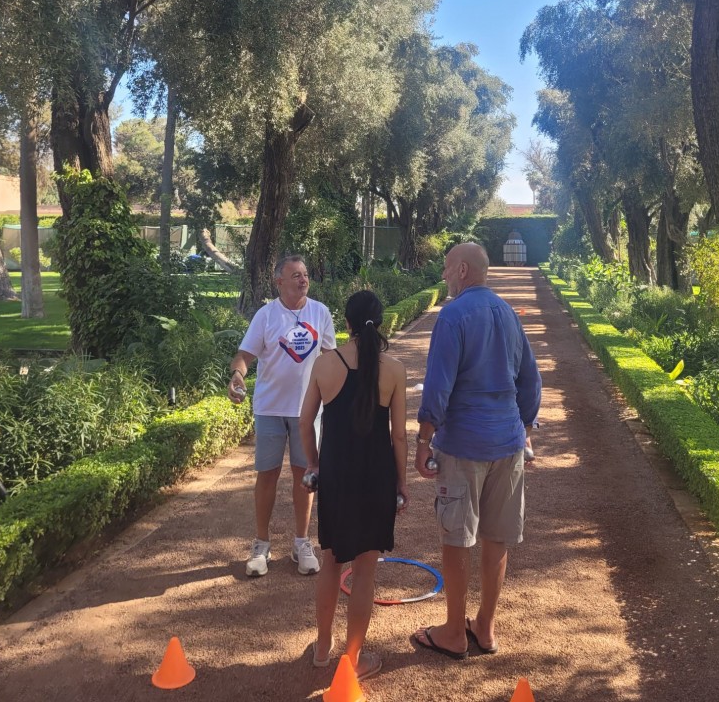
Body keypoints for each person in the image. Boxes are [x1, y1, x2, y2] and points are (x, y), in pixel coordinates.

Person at [412, 242, 541, 659]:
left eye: (448, 269)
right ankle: (484, 626)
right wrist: (522, 426)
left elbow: (438, 386)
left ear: (463, 270)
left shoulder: (452, 316)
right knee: (497, 539)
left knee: (457, 538)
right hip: (507, 442)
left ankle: (453, 632)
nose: (445, 276)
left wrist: (423, 437)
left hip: (464, 443)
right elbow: (531, 380)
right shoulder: (507, 313)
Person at [299, 290, 408, 681]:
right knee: (365, 570)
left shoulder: (325, 364)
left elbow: (304, 423)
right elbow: (399, 437)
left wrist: (314, 463)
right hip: (376, 475)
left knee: (331, 561)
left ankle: (323, 647)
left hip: (337, 474)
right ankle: (353, 657)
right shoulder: (394, 369)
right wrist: (402, 481)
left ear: (345, 322)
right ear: (379, 323)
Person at [228, 254, 336, 578]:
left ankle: (302, 544)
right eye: (295, 275)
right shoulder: (266, 315)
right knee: (267, 475)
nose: (303, 279)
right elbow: (244, 355)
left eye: (305, 274)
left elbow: (330, 358)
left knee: (306, 478)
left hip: (308, 410)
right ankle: (261, 545)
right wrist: (237, 375)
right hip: (270, 409)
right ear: (279, 282)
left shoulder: (321, 313)